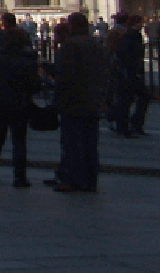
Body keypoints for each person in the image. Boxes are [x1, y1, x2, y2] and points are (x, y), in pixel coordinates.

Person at [53, 11, 110, 193]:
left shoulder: (71, 46)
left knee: (72, 142)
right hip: (93, 99)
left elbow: (64, 76)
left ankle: (72, 179)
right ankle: (90, 180)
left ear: (72, 26)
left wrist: (58, 99)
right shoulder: (96, 44)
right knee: (90, 143)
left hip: (74, 100)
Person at [0, 26, 38, 187]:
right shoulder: (27, 60)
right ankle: (19, 177)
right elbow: (35, 85)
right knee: (19, 141)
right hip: (19, 104)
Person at [110, 13, 150, 138]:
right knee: (127, 99)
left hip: (128, 71)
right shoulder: (130, 35)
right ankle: (126, 125)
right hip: (128, 71)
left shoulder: (128, 34)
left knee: (128, 99)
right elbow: (125, 53)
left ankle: (126, 124)